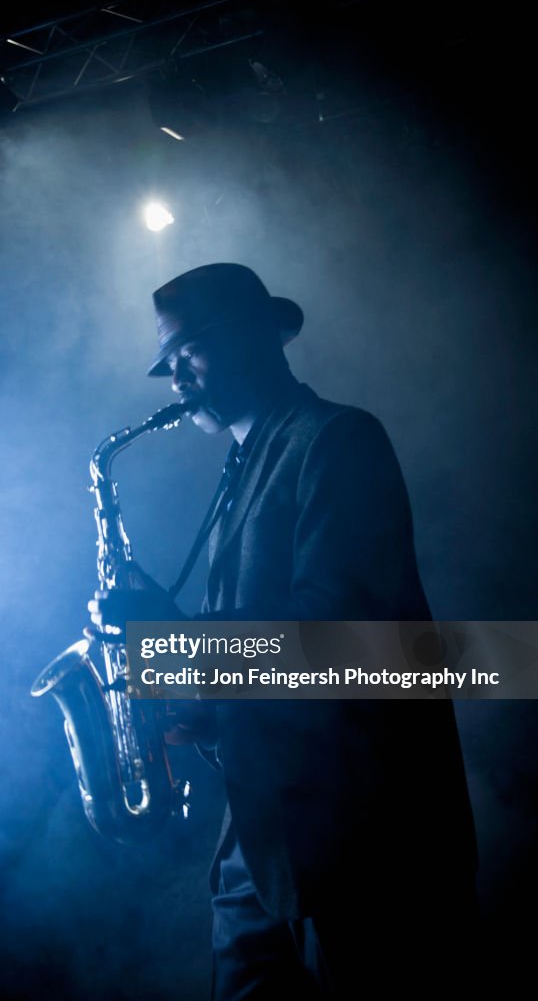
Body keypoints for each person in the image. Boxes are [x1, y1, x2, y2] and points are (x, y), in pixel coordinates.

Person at [87, 263, 479, 997]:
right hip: (264, 841)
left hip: (363, 842)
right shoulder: (245, 470)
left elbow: (345, 646)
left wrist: (177, 642)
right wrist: (184, 709)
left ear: (254, 336)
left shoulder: (338, 439)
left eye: (189, 351)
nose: (175, 379)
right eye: (167, 363)